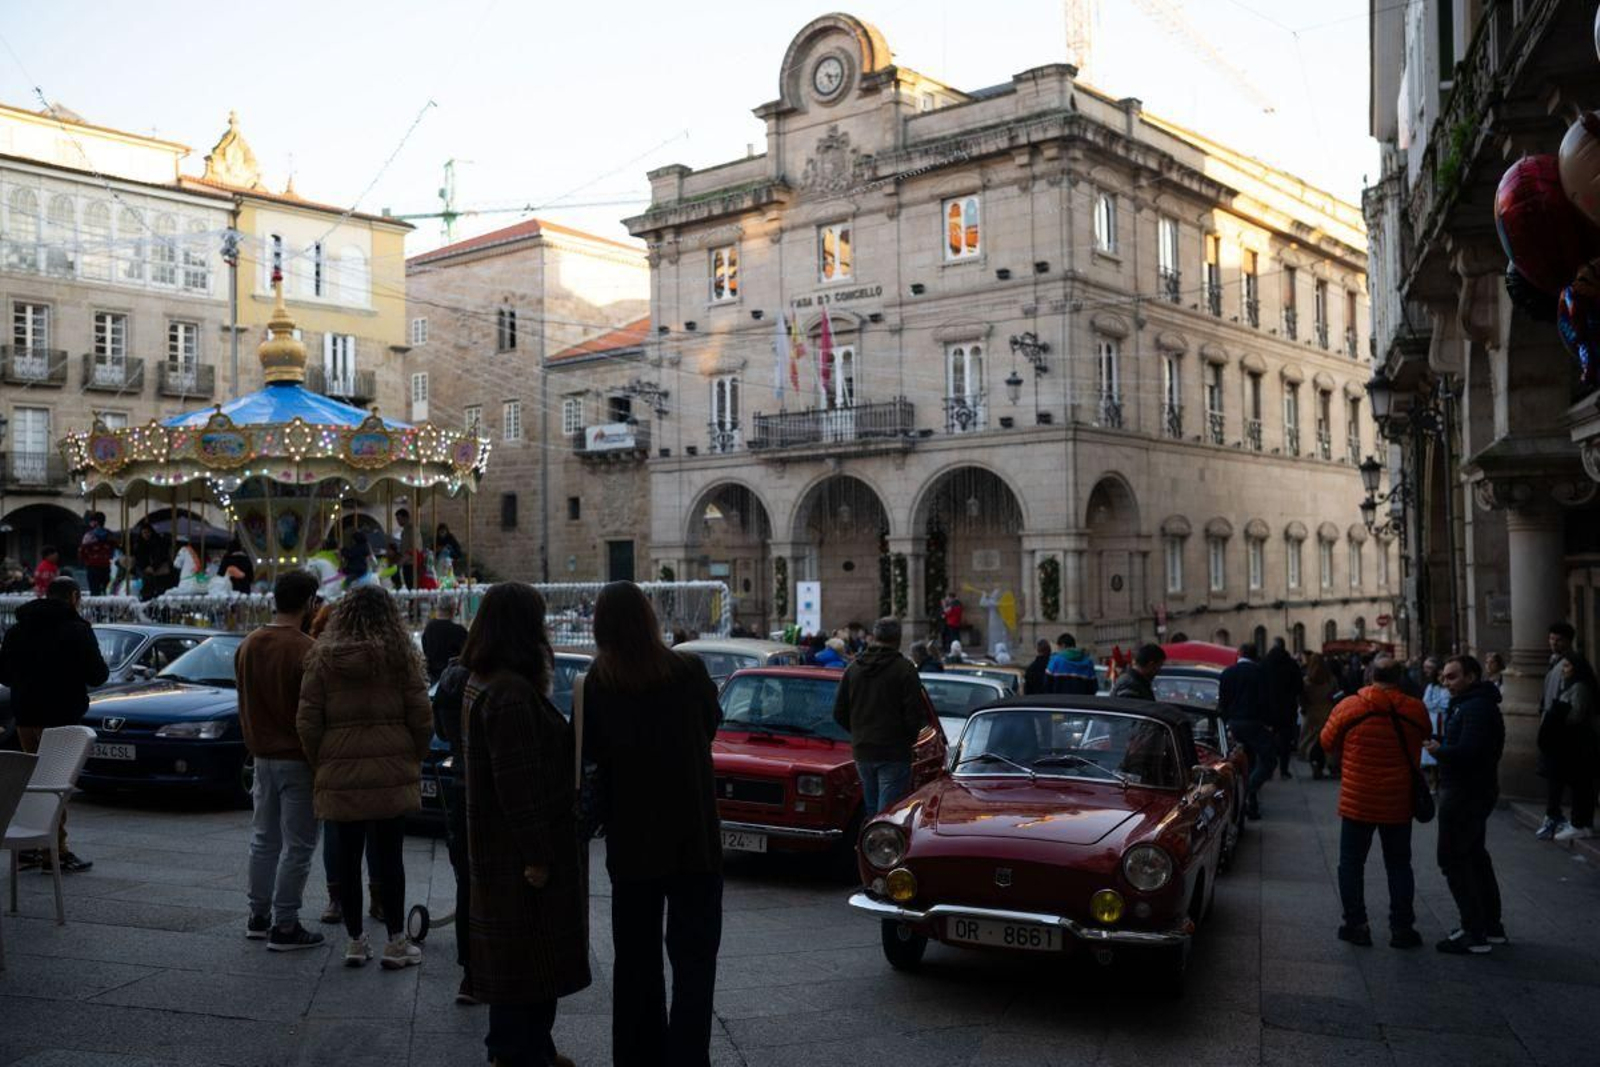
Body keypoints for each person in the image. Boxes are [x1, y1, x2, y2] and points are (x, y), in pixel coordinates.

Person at [582, 581, 721, 1067]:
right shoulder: (688, 671)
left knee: (636, 962)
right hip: (693, 838)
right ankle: (687, 1057)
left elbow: (591, 754)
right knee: (695, 961)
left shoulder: (600, 682)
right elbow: (711, 724)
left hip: (634, 840)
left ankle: (638, 1056)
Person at [461, 583, 590, 1066]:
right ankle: (523, 1053)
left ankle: (526, 1047)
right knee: (530, 961)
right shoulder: (511, 694)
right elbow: (518, 785)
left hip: (497, 850)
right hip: (518, 856)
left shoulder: (485, 679)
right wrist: (537, 855)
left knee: (515, 960)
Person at [296, 585, 432, 969]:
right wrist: (411, 758)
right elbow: (422, 717)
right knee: (390, 859)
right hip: (391, 770)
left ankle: (355, 941)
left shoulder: (322, 659)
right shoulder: (400, 658)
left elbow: (307, 722)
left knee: (348, 858)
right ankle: (395, 942)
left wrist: (322, 762)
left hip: (340, 770)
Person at [236, 570, 324, 951]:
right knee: (299, 846)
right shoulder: (307, 649)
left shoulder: (249, 644)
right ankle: (285, 924)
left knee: (263, 840)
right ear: (309, 603)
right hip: (297, 759)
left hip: (261, 757)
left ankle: (258, 916)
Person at [1318, 655, 1430, 948]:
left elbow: (1326, 741)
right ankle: (1402, 928)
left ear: (1369, 675)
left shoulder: (1350, 706)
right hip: (1398, 800)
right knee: (1399, 864)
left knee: (1351, 864)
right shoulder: (1415, 709)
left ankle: (1357, 924)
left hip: (1359, 799)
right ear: (1400, 677)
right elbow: (1426, 734)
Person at [0, 576, 107, 872]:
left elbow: (4, 675)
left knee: (31, 783)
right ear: (74, 596)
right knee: (56, 786)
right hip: (61, 719)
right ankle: (55, 852)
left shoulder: (17, 630)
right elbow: (98, 675)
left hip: (24, 717)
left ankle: (28, 848)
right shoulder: (77, 631)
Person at [1426, 654, 1507, 954]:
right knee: (1474, 856)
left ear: (1471, 677)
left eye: (1452, 676)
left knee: (1452, 859)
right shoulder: (1472, 704)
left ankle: (1474, 931)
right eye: (1444, 676)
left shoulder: (1475, 707)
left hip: (1465, 793)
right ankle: (1490, 925)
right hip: (1473, 790)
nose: (1445, 682)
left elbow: (1470, 751)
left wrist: (1439, 750)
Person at [833, 617, 928, 816]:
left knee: (872, 809)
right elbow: (915, 714)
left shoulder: (853, 668)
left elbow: (839, 712)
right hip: (893, 752)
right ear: (898, 639)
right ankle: (877, 845)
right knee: (887, 813)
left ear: (874, 637)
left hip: (864, 750)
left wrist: (859, 732)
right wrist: (907, 740)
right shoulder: (904, 669)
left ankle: (869, 844)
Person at [1545, 653, 1599, 843]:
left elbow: (1576, 715)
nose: (1563, 671)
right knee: (1580, 784)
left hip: (1581, 742)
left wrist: (1557, 715)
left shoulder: (1579, 687)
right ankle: (1580, 822)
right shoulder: (1572, 686)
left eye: (1567, 667)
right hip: (1575, 742)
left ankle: (1581, 824)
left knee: (1582, 784)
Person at [1537, 622, 1582, 840]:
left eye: (1558, 639)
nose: (1554, 643)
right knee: (1553, 774)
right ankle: (1554, 814)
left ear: (1568, 640)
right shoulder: (1555, 661)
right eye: (1551, 639)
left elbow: (1571, 699)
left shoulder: (1571, 663)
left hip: (1562, 729)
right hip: (1552, 725)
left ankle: (1565, 817)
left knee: (1565, 775)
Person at [1218, 643, 1272, 820]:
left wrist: (1227, 722)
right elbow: (1266, 700)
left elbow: (1223, 703)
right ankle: (1250, 791)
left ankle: (1249, 799)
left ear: (1239, 653)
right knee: (1267, 760)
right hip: (1254, 723)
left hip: (1234, 723)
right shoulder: (1261, 673)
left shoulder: (1227, 673)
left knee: (1244, 762)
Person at [1262, 638, 1304, 779]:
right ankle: (1284, 770)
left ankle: (1268, 770)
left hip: (1268, 708)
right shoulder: (1291, 664)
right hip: (1287, 708)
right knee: (1285, 741)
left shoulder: (1265, 664)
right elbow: (1299, 686)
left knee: (1268, 740)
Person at [1298, 652, 1338, 779]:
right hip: (1327, 711)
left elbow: (1301, 697)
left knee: (1311, 741)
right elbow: (1337, 694)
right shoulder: (1331, 679)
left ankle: (1315, 764)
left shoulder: (1306, 680)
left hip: (1311, 713)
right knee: (1327, 741)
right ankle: (1330, 764)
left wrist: (1304, 707)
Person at [420, 597, 469, 684]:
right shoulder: (459, 631)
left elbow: (425, 650)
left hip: (433, 677)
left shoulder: (429, 628)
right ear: (453, 610)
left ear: (438, 609)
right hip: (453, 679)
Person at [1420, 655, 1449, 788]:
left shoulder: (1448, 688)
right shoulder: (1431, 687)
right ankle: (1433, 781)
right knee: (1430, 754)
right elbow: (1426, 703)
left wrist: (1435, 704)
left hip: (1444, 723)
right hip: (1433, 723)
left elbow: (1446, 704)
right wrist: (1436, 705)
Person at [79, 513, 114, 596]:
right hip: (105, 566)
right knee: (104, 591)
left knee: (95, 592)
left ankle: (96, 609)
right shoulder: (109, 535)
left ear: (95, 522)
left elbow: (82, 552)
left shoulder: (89, 535)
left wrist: (87, 561)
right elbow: (112, 551)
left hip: (93, 566)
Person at [394, 508, 416, 589]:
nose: (398, 521)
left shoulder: (412, 530)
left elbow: (413, 548)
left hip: (412, 563)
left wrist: (402, 561)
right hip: (406, 563)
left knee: (412, 584)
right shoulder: (404, 532)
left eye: (399, 519)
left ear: (406, 518)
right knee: (407, 583)